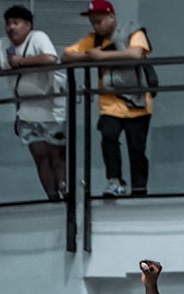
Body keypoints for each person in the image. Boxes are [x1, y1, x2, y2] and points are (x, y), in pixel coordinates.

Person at [65, 0, 151, 197]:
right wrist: (90, 57)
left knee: (137, 150)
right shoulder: (93, 40)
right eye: (93, 23)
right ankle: (114, 181)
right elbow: (66, 56)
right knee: (108, 137)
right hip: (109, 102)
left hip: (136, 101)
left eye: (99, 21)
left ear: (111, 16)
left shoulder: (133, 31)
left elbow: (136, 54)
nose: (96, 26)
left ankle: (139, 189)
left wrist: (102, 57)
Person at [0, 6, 67, 201]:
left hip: (52, 109)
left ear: (28, 25)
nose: (11, 28)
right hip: (26, 111)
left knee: (57, 157)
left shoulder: (38, 37)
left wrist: (21, 62)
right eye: (8, 23)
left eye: (16, 23)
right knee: (40, 157)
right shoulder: (3, 44)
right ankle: (52, 198)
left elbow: (50, 58)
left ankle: (66, 197)